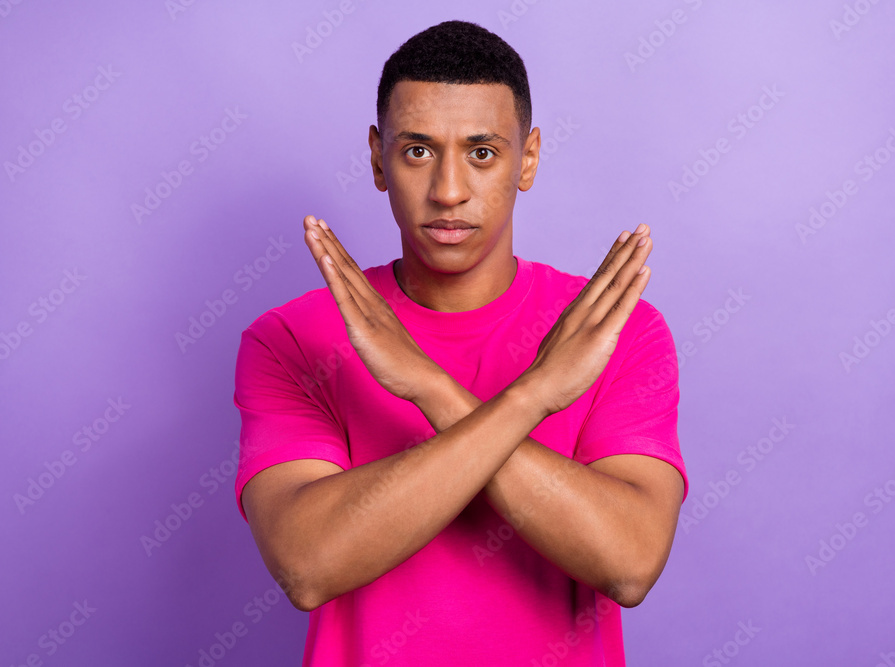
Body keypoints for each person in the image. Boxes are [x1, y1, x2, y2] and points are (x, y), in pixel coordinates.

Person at [233, 19, 688, 666]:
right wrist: (534, 394)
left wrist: (429, 389)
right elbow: (308, 566)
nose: (449, 191)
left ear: (526, 158)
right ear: (376, 158)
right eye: (418, 150)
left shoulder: (615, 330)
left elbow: (630, 562)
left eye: (482, 152)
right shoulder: (292, 338)